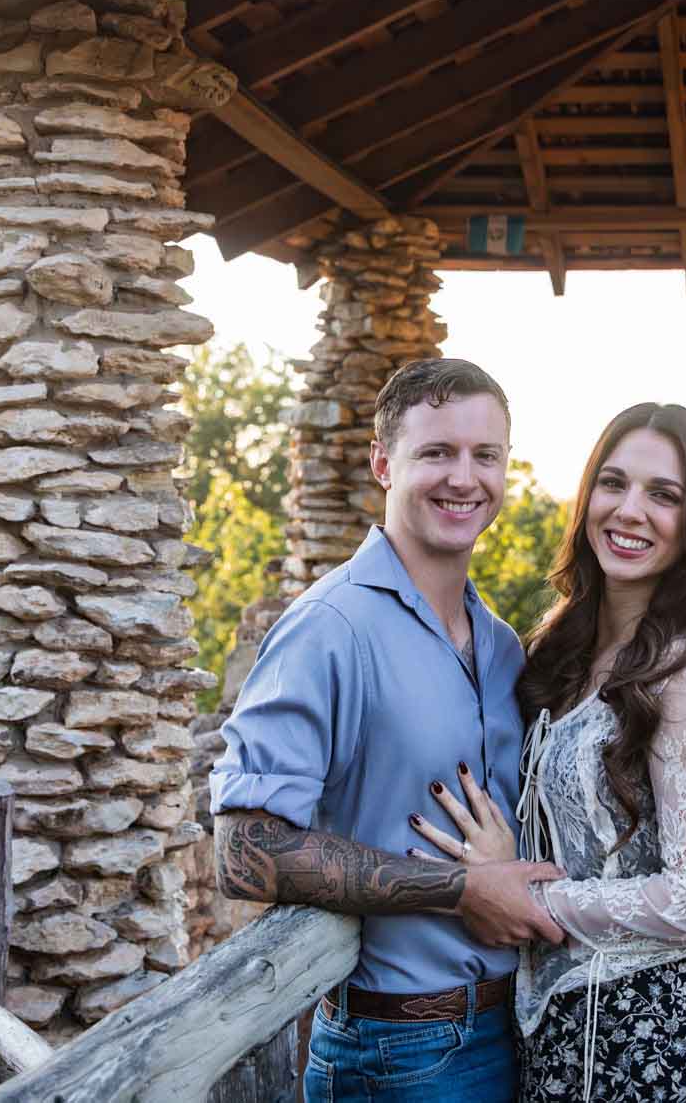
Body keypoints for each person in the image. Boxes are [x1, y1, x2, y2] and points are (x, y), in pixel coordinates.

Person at [210, 357, 566, 1103]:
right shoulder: (329, 628)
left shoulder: (501, 644)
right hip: (396, 1056)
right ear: (383, 463)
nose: (463, 477)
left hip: (519, 1031)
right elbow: (244, 852)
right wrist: (460, 888)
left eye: (485, 455)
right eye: (436, 452)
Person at [412, 401, 686, 1101]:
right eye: (613, 484)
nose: (630, 510)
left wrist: (528, 896)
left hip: (670, 1044)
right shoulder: (567, 650)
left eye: (664, 495)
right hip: (566, 1034)